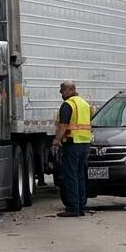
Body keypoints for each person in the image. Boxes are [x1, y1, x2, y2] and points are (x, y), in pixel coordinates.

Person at [52, 81, 92, 217]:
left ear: (70, 90)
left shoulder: (68, 105)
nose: (60, 93)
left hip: (72, 143)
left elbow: (63, 127)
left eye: (62, 90)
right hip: (85, 143)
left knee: (70, 175)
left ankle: (72, 207)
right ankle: (81, 206)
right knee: (80, 175)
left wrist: (57, 140)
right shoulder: (84, 104)